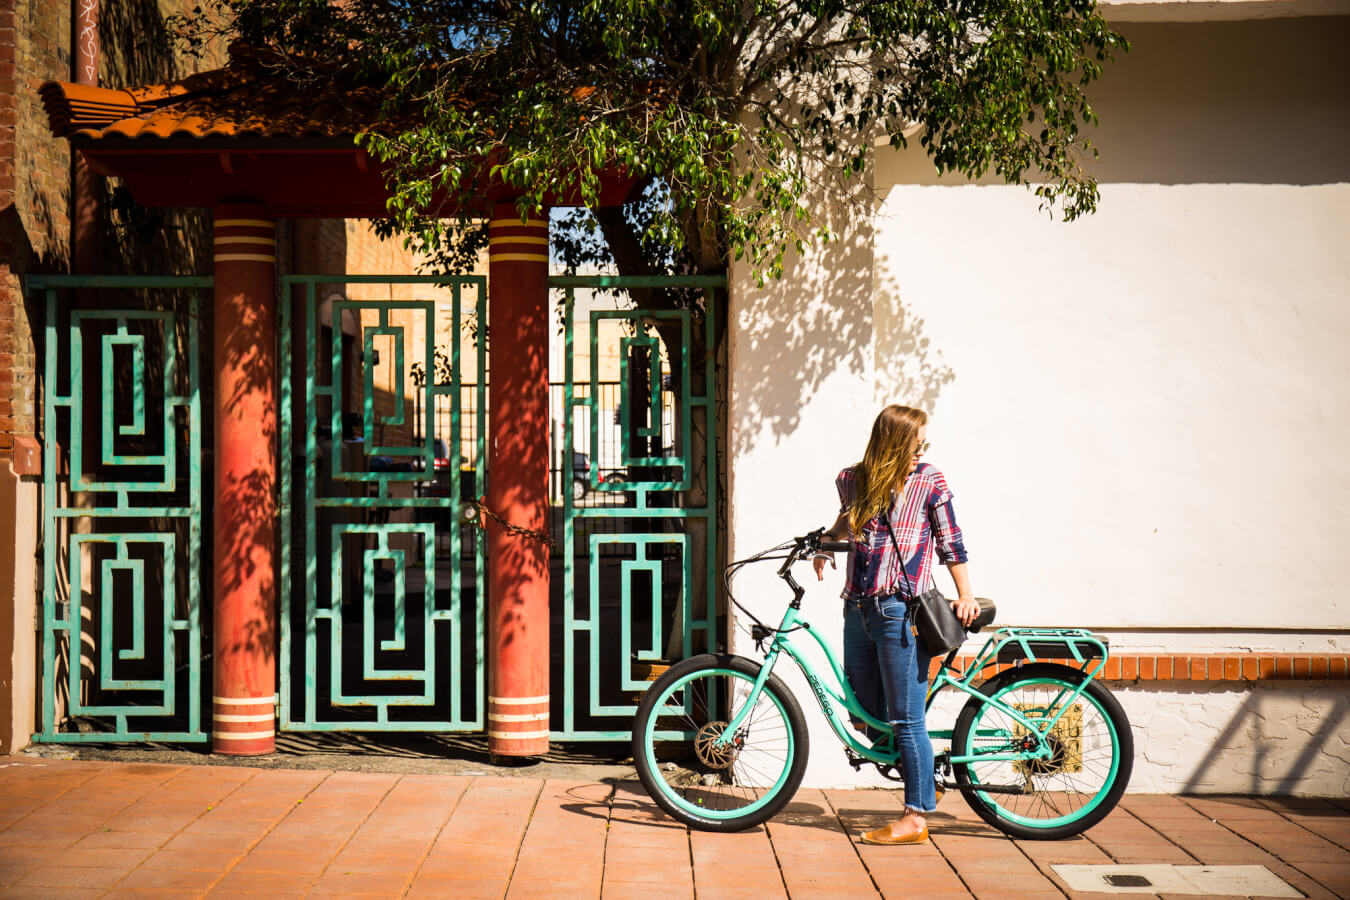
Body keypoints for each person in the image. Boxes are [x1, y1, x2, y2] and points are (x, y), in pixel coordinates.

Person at [814, 404, 979, 846]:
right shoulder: (853, 479)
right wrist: (825, 546)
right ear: (892, 442)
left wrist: (964, 593)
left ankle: (916, 815)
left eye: (923, 444)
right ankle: (924, 779)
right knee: (864, 711)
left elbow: (951, 542)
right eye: (914, 443)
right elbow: (846, 522)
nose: (920, 451)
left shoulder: (928, 480)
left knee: (906, 719)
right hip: (858, 609)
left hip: (901, 612)